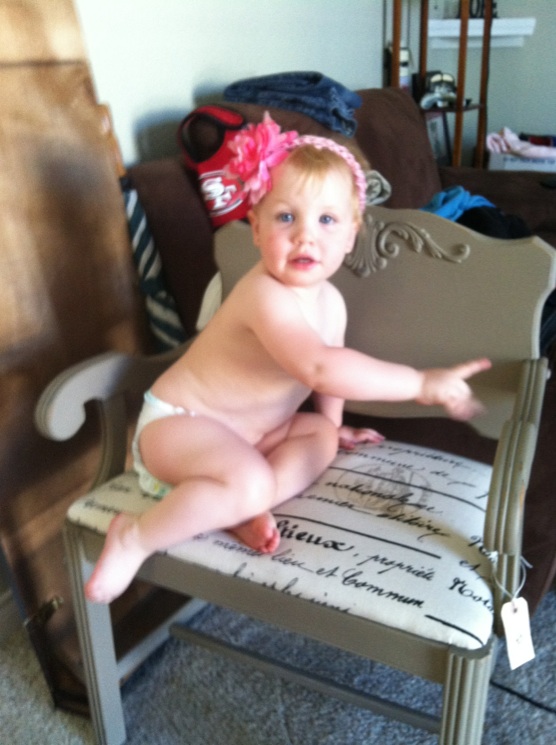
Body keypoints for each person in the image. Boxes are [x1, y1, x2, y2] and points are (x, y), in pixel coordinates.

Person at [85, 114, 490, 604]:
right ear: (255, 229)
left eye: (326, 220)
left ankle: (235, 506)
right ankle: (135, 536)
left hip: (249, 435)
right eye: (285, 218)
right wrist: (420, 384)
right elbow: (318, 366)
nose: (305, 236)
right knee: (251, 480)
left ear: (351, 234)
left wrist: (333, 426)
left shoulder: (331, 303)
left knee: (318, 437)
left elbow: (328, 375)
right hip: (179, 427)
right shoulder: (263, 295)